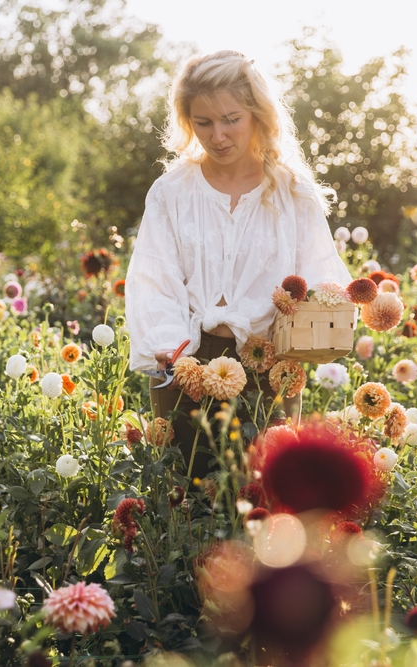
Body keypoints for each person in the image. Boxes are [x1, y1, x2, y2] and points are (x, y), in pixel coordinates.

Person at [125, 50, 350, 476]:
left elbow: (320, 277)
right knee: (187, 500)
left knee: (263, 501)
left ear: (257, 115)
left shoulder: (291, 191)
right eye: (203, 122)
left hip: (269, 365)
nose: (218, 136)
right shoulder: (171, 192)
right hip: (185, 360)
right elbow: (154, 281)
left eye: (231, 119)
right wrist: (176, 360)